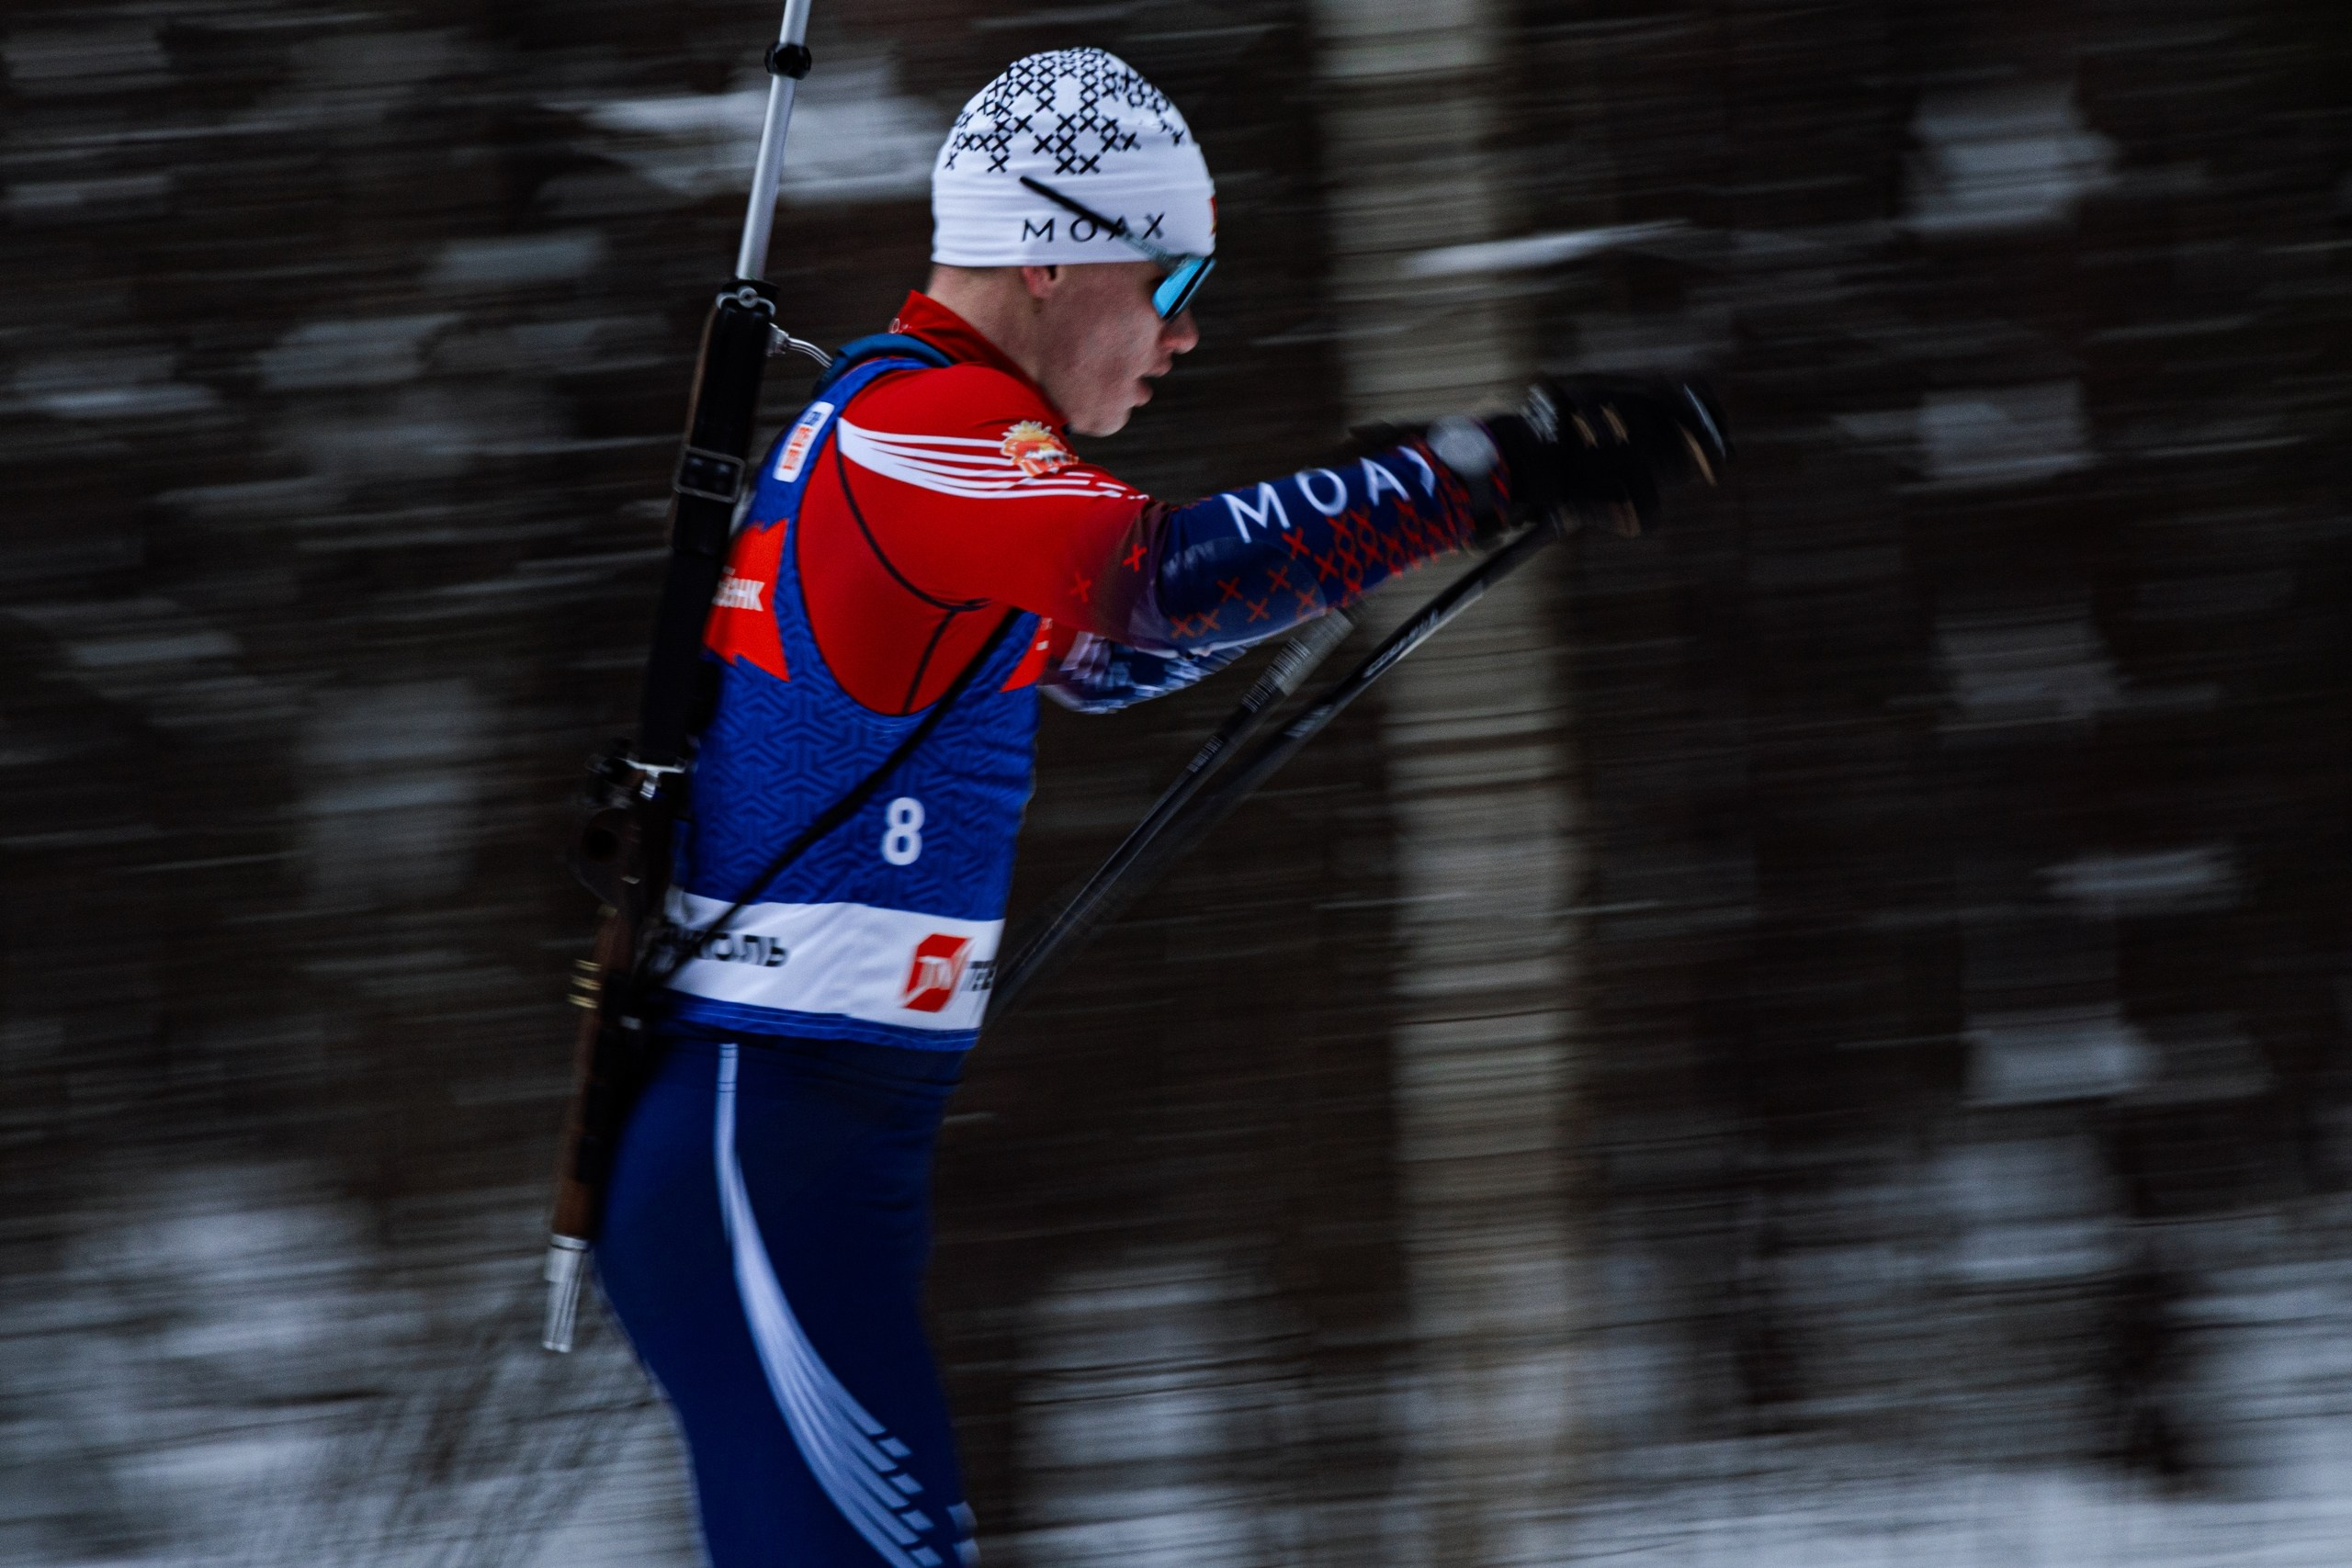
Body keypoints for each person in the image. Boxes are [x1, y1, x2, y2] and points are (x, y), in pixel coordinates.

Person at [594, 46, 1724, 1568]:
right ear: (1055, 255)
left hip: (808, 1144)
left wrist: (1381, 515)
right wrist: (1476, 471)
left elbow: (1105, 662)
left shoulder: (929, 448)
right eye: (1173, 272)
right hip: (766, 1135)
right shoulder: (916, 434)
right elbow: (1160, 582)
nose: (1188, 331)